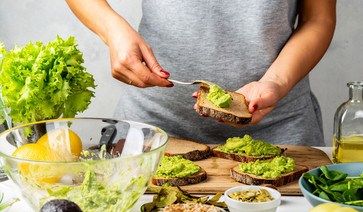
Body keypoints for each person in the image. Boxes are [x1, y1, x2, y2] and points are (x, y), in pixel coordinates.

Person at [65, 0, 336, 146]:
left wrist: (276, 81)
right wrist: (112, 29)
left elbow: (318, 18)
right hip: (153, 132)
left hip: (279, 132)